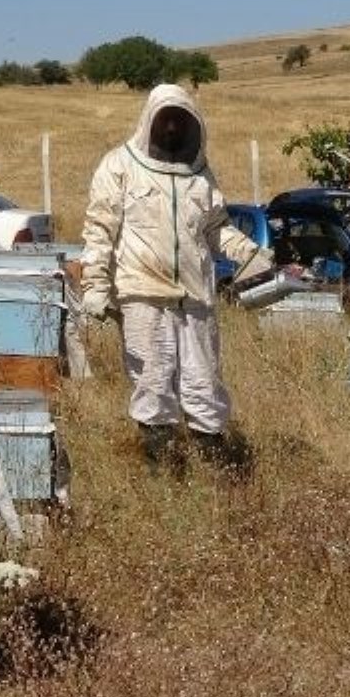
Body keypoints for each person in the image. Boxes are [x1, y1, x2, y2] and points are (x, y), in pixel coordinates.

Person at [79, 84, 276, 471]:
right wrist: (95, 285)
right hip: (142, 294)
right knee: (153, 383)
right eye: (165, 119)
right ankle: (166, 470)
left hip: (195, 296)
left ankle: (216, 470)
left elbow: (215, 227)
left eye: (179, 120)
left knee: (204, 383)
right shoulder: (119, 166)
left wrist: (249, 254)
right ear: (149, 120)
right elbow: (99, 230)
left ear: (192, 124)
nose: (171, 128)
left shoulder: (200, 175)